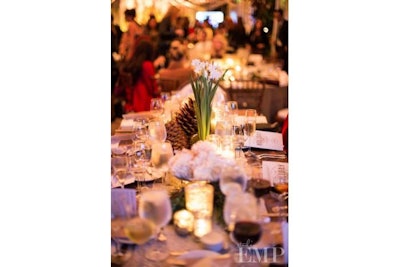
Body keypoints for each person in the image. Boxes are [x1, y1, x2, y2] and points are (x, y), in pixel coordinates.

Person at [120, 38, 160, 113]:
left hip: (132, 103)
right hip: (145, 103)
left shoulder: (131, 64)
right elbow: (152, 88)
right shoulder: (147, 65)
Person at [273, 9, 288, 73]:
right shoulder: (278, 25)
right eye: (275, 16)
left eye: (277, 16)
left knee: (284, 66)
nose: (276, 18)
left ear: (281, 15)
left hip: (285, 50)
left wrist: (286, 46)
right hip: (280, 49)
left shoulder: (286, 24)